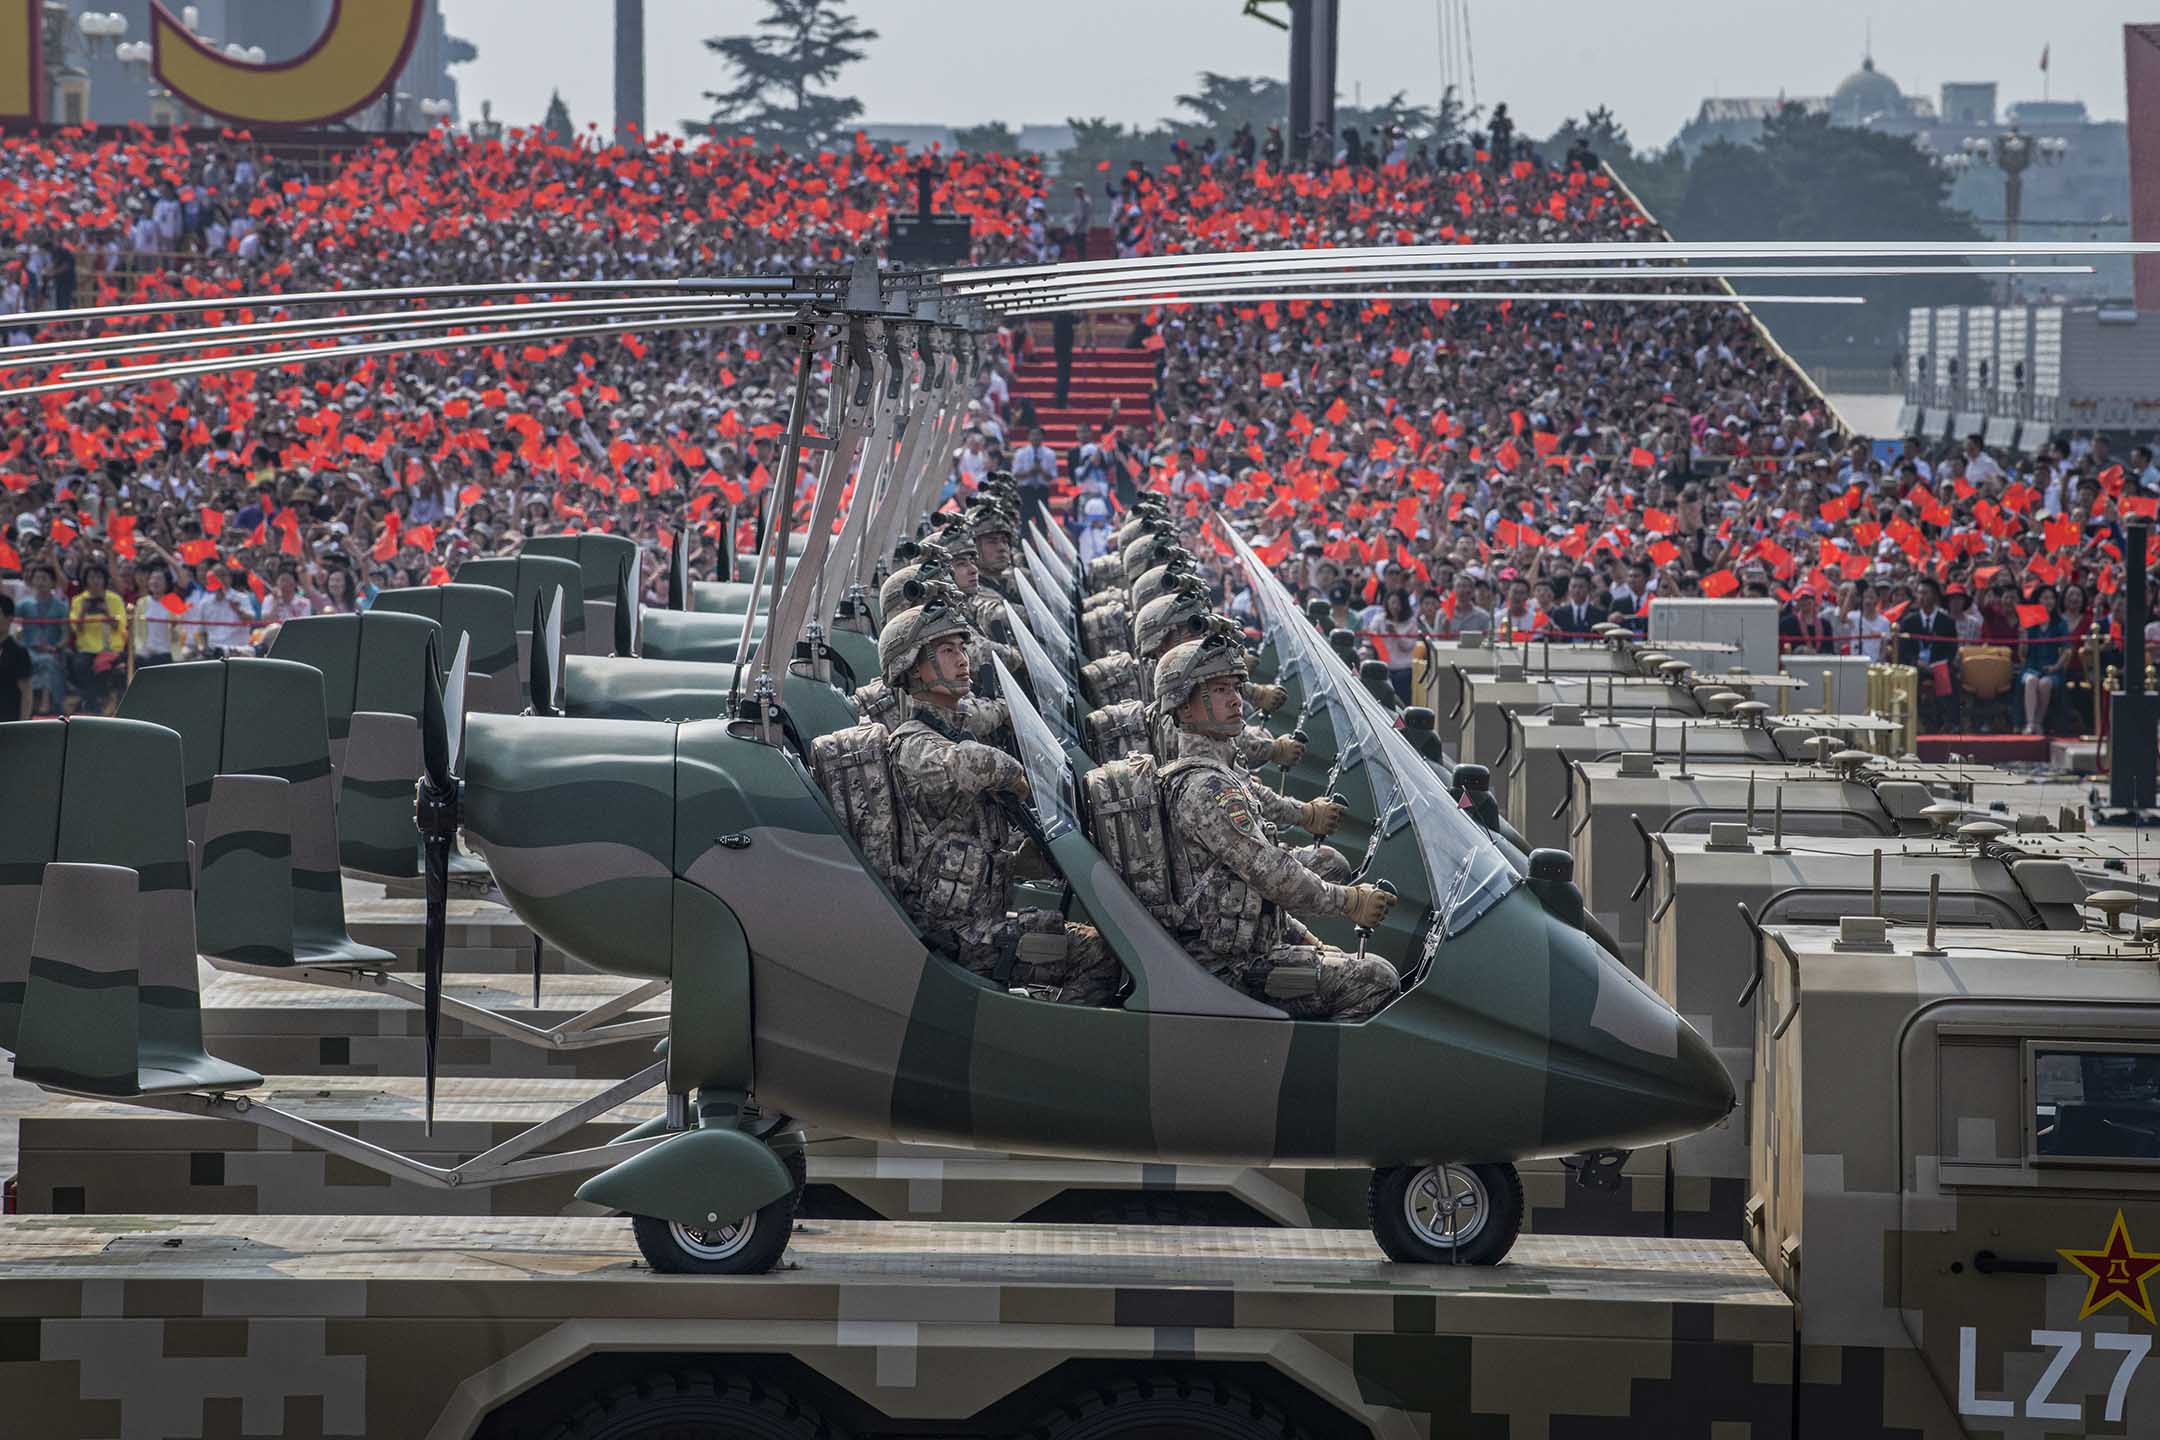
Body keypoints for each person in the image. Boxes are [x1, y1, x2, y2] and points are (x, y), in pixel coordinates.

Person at [879, 597, 1122, 1006]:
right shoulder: (913, 742)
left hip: (977, 922)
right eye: (946, 651)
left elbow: (965, 848)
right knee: (1103, 955)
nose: (963, 659)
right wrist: (1021, 779)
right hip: (961, 937)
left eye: (961, 648)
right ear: (911, 668)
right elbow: (967, 764)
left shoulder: (955, 728)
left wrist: (1026, 858)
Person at [1152, 635, 1401, 1021]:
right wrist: (1349, 902)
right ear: (1184, 708)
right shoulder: (1208, 789)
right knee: (1375, 979)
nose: (1236, 700)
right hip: (1227, 971)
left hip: (1238, 955)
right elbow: (1273, 876)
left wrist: (1312, 942)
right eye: (1220, 691)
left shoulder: (1218, 772)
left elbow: (1251, 896)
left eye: (1235, 688)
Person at [65, 562, 126, 714]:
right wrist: (83, 611)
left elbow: (120, 626)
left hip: (111, 648)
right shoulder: (78, 600)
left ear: (105, 580)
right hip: (86, 648)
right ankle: (92, 704)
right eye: (91, 577)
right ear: (86, 580)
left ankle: (104, 703)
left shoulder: (115, 600)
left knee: (115, 670)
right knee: (80, 666)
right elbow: (76, 628)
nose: (95, 581)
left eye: (99, 577)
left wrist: (106, 612)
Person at [16, 562, 67, 715]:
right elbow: (15, 629)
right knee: (34, 660)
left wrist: (56, 647)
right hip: (26, 649)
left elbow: (66, 635)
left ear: (52, 582)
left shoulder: (61, 606)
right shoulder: (23, 605)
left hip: (52, 650)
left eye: (44, 578)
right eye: (37, 578)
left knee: (48, 660)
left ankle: (46, 702)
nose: (40, 582)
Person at [2019, 585, 2070, 735]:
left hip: (2052, 668)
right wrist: (2023, 638)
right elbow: (2023, 653)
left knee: (2045, 684)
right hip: (2031, 667)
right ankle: (2030, 723)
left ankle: (2038, 722)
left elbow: (2066, 650)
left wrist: (2056, 666)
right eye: (2045, 598)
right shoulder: (2029, 623)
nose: (2049, 601)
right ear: (2038, 600)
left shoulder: (2061, 623)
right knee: (2031, 681)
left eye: (2052, 598)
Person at [0, 594, 31, 720]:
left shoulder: (19, 652)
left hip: (9, 721)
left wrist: (23, 724)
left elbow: (26, 693)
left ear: (9, 618)